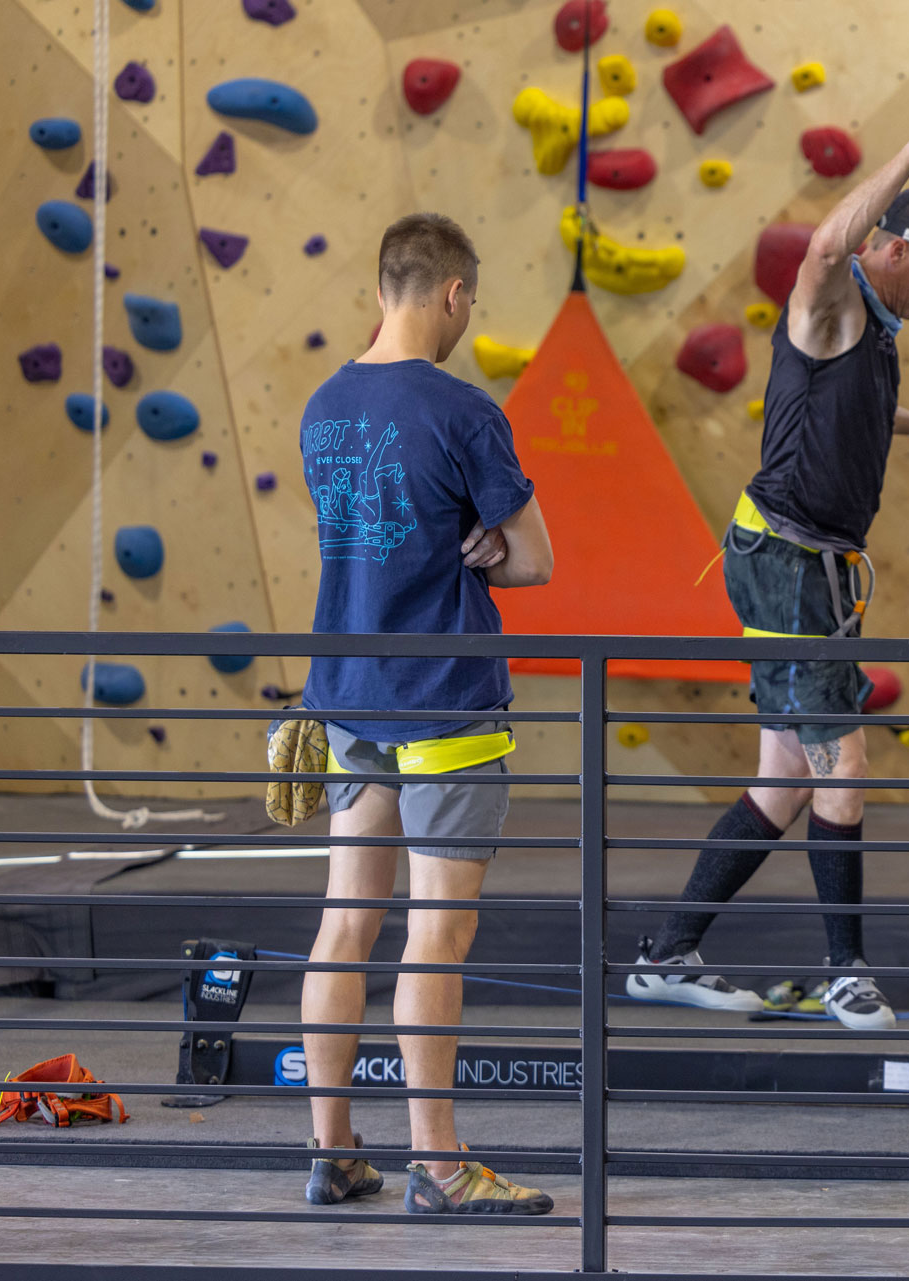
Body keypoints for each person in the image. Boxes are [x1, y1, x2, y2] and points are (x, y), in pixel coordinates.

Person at [627, 93, 909, 1031]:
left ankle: (668, 953)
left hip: (808, 564)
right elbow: (826, 247)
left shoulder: (874, 332)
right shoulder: (832, 296)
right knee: (843, 764)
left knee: (784, 781)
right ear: (899, 247)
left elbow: (845, 416)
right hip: (788, 560)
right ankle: (847, 972)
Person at [295, 212, 556, 1214]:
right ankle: (440, 1166)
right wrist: (493, 551)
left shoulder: (323, 407)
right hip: (446, 702)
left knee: (344, 926)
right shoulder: (464, 411)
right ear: (453, 294)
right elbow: (534, 561)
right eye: (470, 302)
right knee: (434, 936)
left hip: (349, 696)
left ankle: (332, 1152)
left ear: (379, 289)